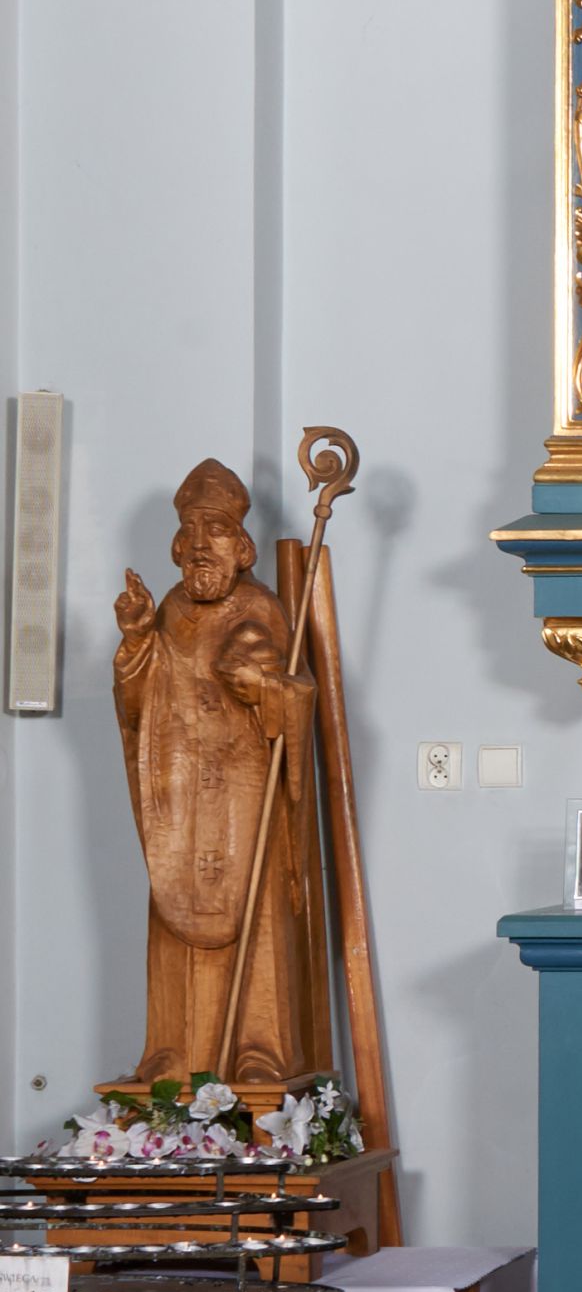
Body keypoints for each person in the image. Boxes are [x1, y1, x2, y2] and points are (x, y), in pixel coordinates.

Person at [112, 462, 327, 1091]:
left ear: (242, 546)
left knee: (257, 912)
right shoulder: (169, 611)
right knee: (172, 910)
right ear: (178, 545)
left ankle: (258, 1052)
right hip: (177, 803)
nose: (202, 544)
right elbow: (136, 708)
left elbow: (297, 697)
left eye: (217, 530)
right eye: (191, 531)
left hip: (243, 796)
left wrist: (262, 686)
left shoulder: (260, 607)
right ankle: (171, 1057)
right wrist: (136, 643)